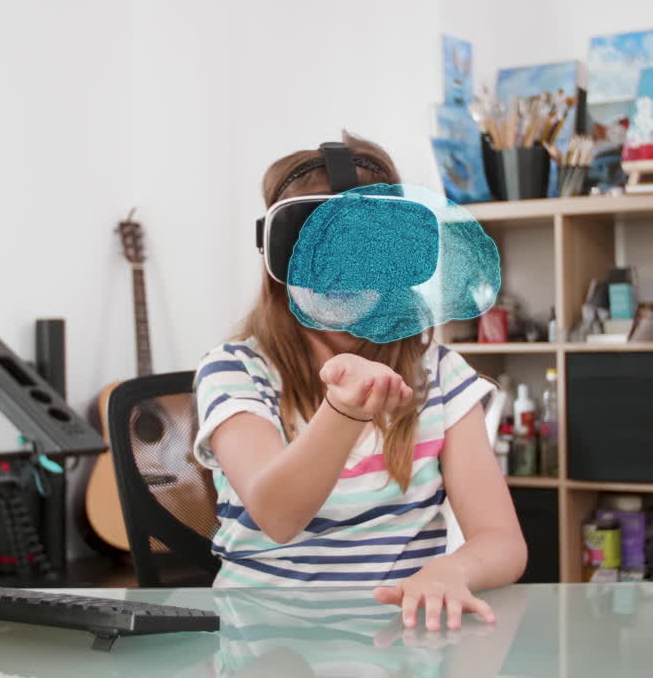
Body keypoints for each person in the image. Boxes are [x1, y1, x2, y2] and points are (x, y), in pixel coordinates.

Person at [193, 134, 527, 631]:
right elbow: (278, 517)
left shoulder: (441, 374)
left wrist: (452, 570)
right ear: (282, 256)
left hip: (399, 641)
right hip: (267, 643)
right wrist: (345, 411)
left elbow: (502, 540)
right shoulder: (236, 370)